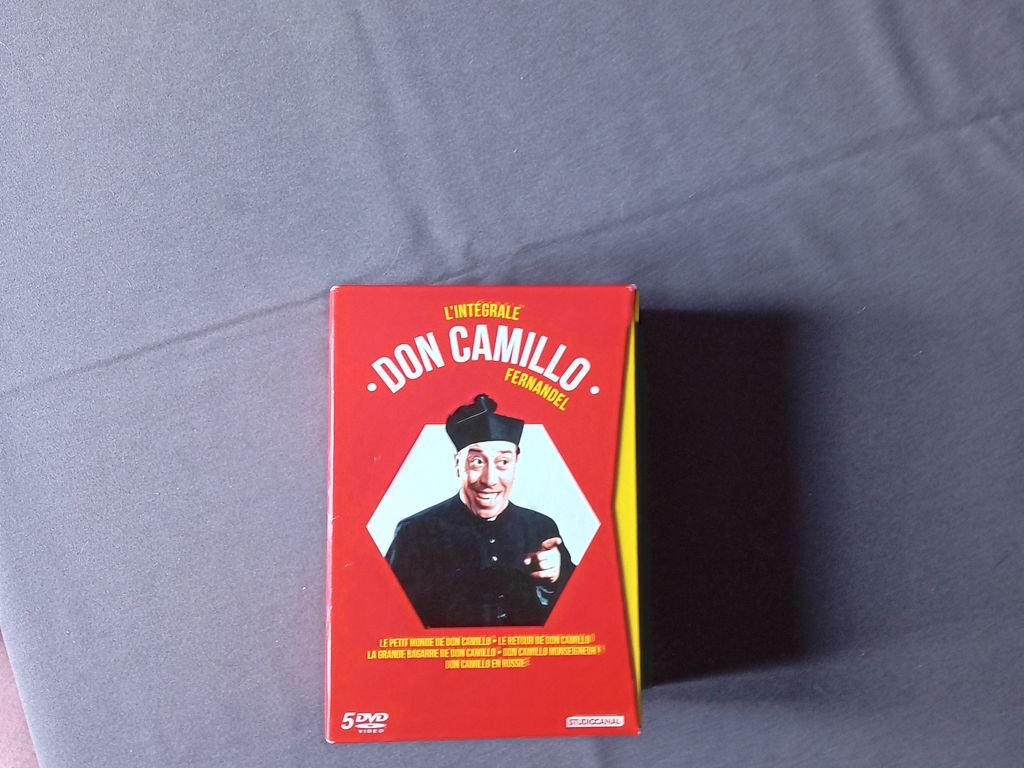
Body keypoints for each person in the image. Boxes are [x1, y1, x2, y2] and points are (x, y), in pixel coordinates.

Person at [386, 394, 575, 627]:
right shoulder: (415, 532)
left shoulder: (541, 527)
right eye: (477, 462)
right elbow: (390, 619)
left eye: (503, 462)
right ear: (458, 463)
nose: (489, 480)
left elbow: (579, 611)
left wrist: (555, 579)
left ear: (516, 464)